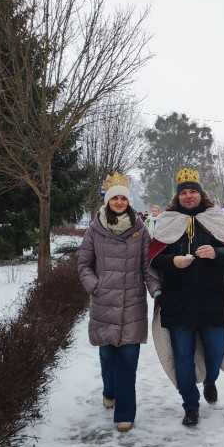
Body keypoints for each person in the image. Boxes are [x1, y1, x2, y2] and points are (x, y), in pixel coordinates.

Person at [149, 167, 224, 426]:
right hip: (177, 302)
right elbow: (153, 259)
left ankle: (210, 379)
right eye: (184, 193)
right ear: (178, 197)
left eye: (192, 192)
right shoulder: (167, 221)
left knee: (216, 349)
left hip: (211, 300)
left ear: (201, 194)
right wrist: (173, 261)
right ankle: (190, 405)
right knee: (183, 356)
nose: (188, 196)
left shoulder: (217, 220)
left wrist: (216, 253)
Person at [77, 173, 160, 433]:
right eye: (116, 198)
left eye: (124, 197)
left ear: (129, 201)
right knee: (107, 357)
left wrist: (156, 290)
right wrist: (95, 286)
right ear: (108, 200)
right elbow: (84, 265)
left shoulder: (141, 230)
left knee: (127, 361)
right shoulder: (94, 230)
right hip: (104, 304)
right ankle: (109, 390)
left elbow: (148, 267)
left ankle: (125, 414)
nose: (120, 201)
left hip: (132, 305)